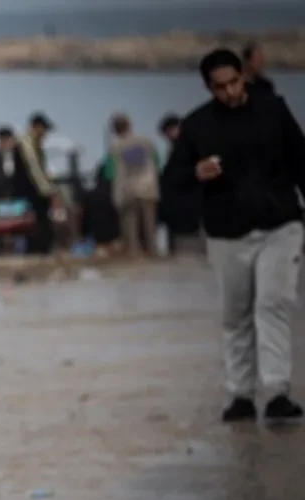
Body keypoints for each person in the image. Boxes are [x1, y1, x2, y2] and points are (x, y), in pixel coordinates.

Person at [164, 48, 305, 422]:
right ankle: (240, 395)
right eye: (220, 87)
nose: (229, 92)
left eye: (234, 82)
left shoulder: (274, 109)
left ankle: (277, 391)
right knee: (236, 314)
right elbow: (172, 180)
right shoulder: (196, 125)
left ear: (243, 75)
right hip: (227, 233)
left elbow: (301, 160)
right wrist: (196, 173)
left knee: (273, 303)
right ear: (208, 87)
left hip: (280, 225)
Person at [101, 114, 162, 256]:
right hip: (148, 188)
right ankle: (153, 250)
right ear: (129, 125)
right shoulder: (146, 141)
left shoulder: (115, 147)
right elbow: (158, 164)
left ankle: (134, 252)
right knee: (149, 223)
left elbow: (109, 173)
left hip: (127, 191)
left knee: (130, 224)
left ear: (114, 130)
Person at [12, 112, 63, 255]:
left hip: (33, 192)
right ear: (37, 127)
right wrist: (48, 191)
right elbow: (35, 170)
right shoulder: (26, 144)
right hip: (29, 193)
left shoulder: (35, 144)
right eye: (44, 129)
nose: (45, 134)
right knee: (37, 225)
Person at [157, 114, 204, 254]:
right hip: (180, 200)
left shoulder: (189, 145)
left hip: (187, 198)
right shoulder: (177, 146)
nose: (167, 136)